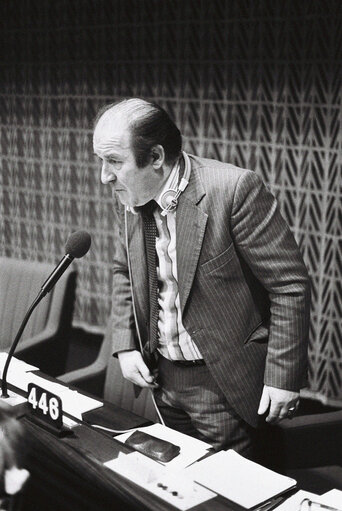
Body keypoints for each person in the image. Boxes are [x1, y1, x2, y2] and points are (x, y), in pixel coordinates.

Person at [93, 98, 311, 457]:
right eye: (100, 160)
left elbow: (289, 286)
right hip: (162, 376)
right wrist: (125, 342)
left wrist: (282, 377)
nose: (104, 175)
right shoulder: (131, 195)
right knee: (183, 486)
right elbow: (123, 270)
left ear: (157, 157)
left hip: (222, 380)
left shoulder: (234, 189)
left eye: (115, 161)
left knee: (229, 493)